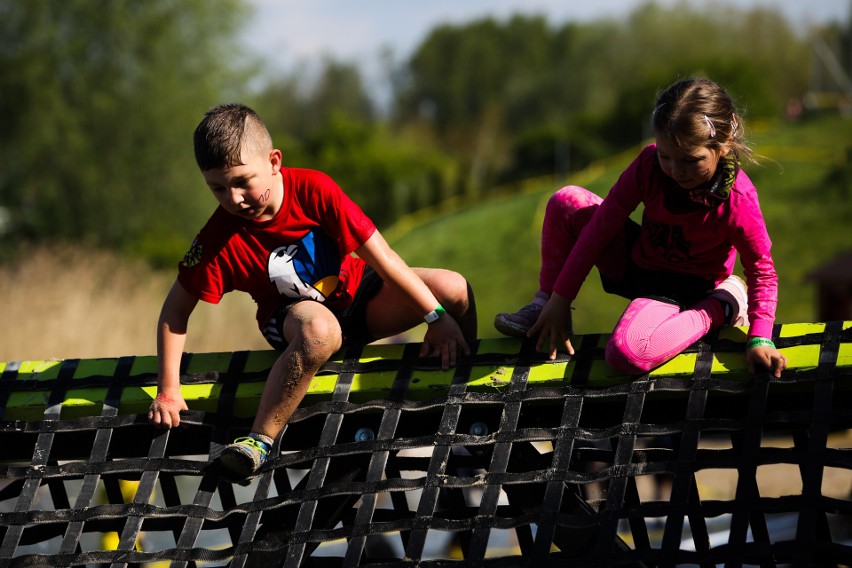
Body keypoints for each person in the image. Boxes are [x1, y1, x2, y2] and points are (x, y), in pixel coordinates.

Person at [149, 103, 477, 480]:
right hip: (295, 320)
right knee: (321, 331)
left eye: (242, 182)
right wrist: (169, 389)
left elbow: (384, 258)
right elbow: (175, 312)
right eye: (218, 188)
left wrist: (435, 318)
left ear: (274, 162)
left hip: (356, 296)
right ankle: (258, 441)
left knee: (454, 288)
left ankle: (466, 395)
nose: (233, 199)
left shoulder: (314, 189)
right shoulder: (218, 238)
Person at [494, 77, 786, 378]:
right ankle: (542, 309)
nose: (675, 171)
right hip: (639, 263)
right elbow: (601, 226)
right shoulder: (648, 165)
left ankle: (723, 304)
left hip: (689, 290)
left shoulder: (738, 200)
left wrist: (760, 337)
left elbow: (762, 271)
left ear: (723, 143)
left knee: (625, 355)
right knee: (565, 201)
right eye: (666, 157)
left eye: (690, 160)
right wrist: (559, 299)